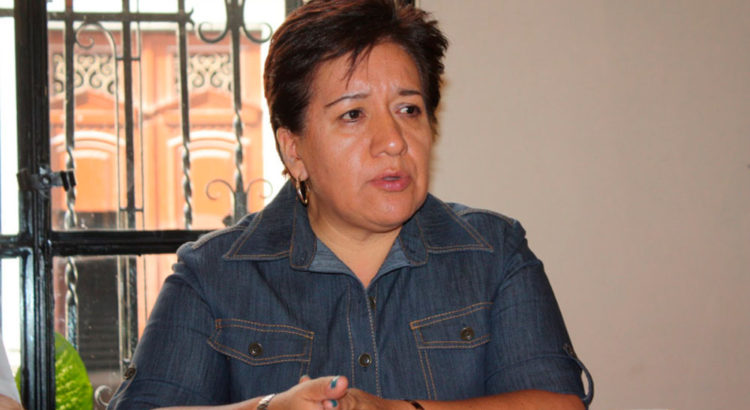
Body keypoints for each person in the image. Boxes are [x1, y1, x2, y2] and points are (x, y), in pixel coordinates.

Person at [108, 0, 593, 408]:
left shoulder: (492, 252)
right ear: (294, 150)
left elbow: (558, 403)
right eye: (353, 114)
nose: (393, 141)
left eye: (409, 109)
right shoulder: (214, 273)